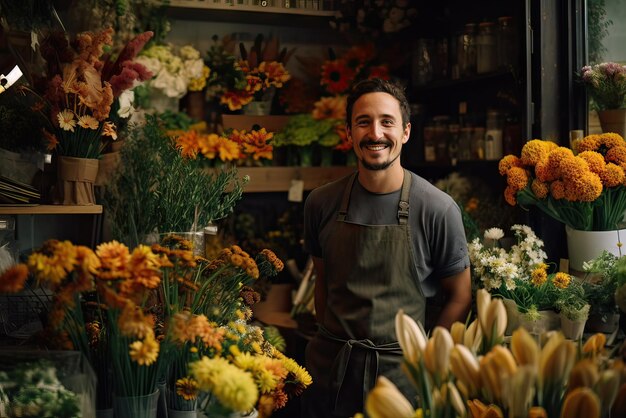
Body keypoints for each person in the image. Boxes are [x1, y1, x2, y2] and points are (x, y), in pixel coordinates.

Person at [300, 78, 471, 418]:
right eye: (363, 122)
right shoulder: (320, 203)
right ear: (349, 132)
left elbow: (460, 296)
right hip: (330, 373)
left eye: (386, 122)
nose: (375, 133)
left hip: (401, 378)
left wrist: (427, 358)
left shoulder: (438, 208)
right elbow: (323, 281)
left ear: (406, 132)